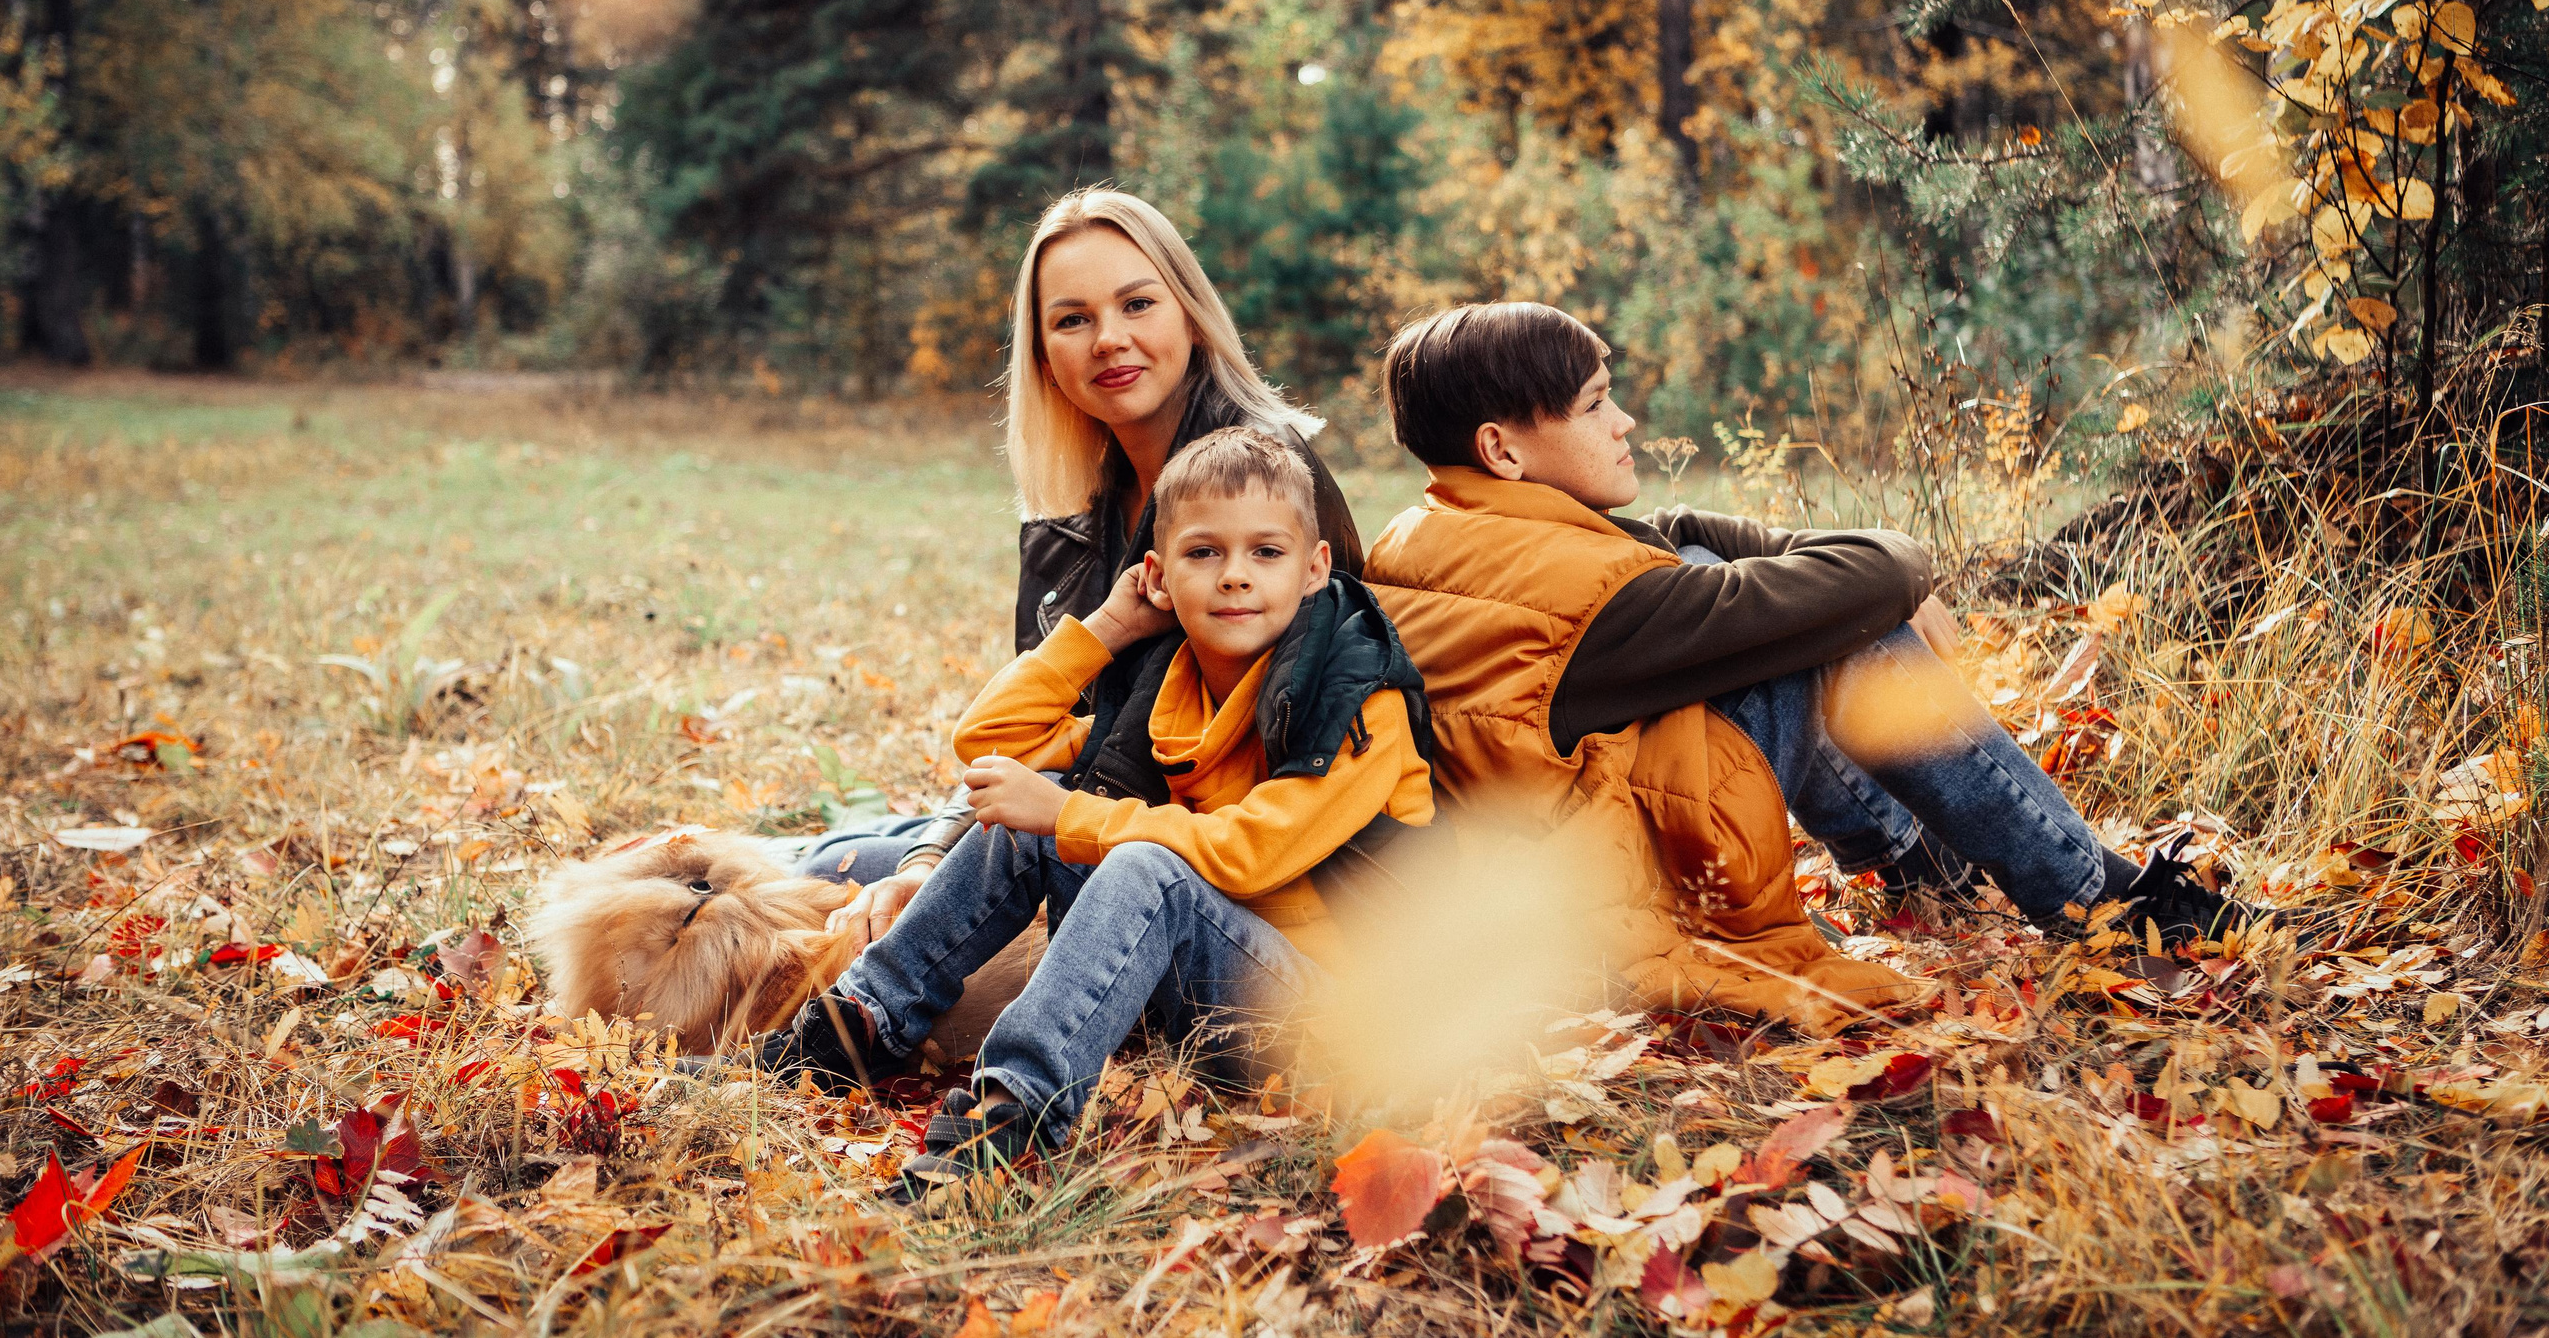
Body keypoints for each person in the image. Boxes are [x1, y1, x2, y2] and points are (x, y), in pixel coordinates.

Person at [1364, 303, 2250, 989]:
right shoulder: (1592, 603)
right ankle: (2102, 902)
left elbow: (1670, 536)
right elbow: (1862, 576)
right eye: (1596, 405)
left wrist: (1820, 573)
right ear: (1503, 451)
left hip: (1549, 888)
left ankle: (1915, 866)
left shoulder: (1432, 536)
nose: (1625, 421)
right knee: (1841, 635)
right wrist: (1906, 579)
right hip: (1627, 921)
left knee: (1751, 591)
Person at [773, 428, 1434, 1192]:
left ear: (1314, 567)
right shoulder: (1171, 684)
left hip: (1342, 1024)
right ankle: (857, 1028)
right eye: (1203, 553)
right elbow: (990, 742)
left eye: (1266, 552)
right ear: (1158, 574)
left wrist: (1067, 814)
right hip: (1213, 987)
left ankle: (1008, 1126)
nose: (1234, 576)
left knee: (1134, 860)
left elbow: (1252, 852)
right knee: (1031, 825)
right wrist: (1110, 627)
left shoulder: (1357, 700)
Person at [784, 189, 1364, 950]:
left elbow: (1309, 747)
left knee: (839, 874)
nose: (1109, 340)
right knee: (829, 859)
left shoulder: (1267, 487)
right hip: (1080, 807)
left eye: (1137, 304)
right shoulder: (1080, 512)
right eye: (1072, 320)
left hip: (1199, 876)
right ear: (1043, 357)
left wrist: (973, 853)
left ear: (1191, 316)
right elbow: (1019, 734)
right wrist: (928, 858)